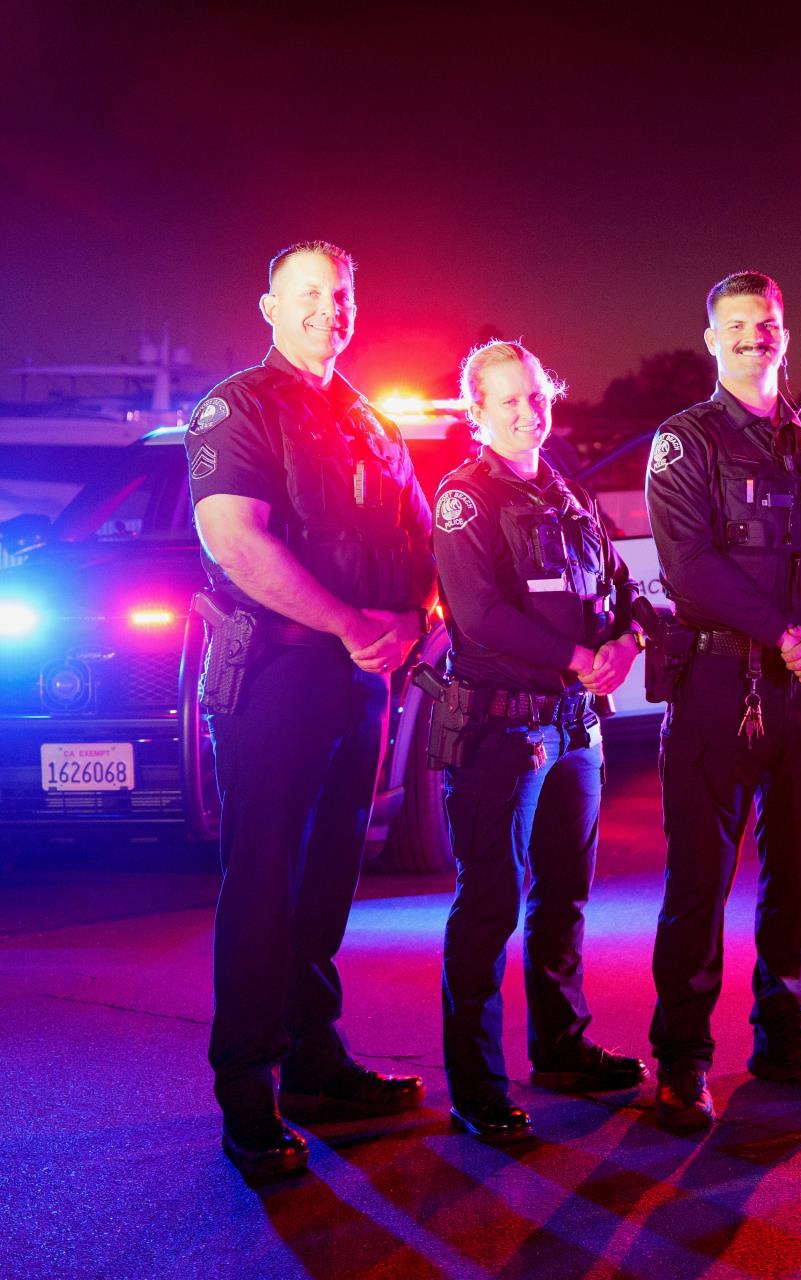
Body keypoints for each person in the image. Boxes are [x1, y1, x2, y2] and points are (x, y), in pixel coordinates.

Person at [187, 241, 435, 1181]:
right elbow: (235, 542)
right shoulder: (235, 407)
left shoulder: (371, 420)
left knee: (330, 876)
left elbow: (418, 544)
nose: (328, 310)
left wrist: (411, 619)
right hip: (279, 674)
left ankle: (316, 1059)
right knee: (263, 883)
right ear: (269, 307)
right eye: (308, 296)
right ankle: (249, 1092)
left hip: (359, 677)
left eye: (340, 297)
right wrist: (345, 624)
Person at [643, 271, 801, 1133]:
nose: (755, 336)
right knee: (699, 882)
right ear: (711, 340)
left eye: (768, 323)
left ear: (787, 334)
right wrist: (791, 629)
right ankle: (682, 1058)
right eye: (737, 325)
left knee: (800, 873)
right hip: (720, 684)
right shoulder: (685, 443)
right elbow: (689, 567)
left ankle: (787, 1036)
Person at [429, 341, 644, 1144]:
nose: (527, 413)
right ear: (475, 411)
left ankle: (561, 1045)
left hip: (574, 728)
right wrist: (582, 657)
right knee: (489, 905)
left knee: (565, 898)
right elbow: (480, 613)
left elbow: (618, 588)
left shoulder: (567, 494)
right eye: (508, 401)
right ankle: (478, 1087)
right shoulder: (465, 498)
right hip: (501, 731)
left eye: (536, 398)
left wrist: (623, 640)